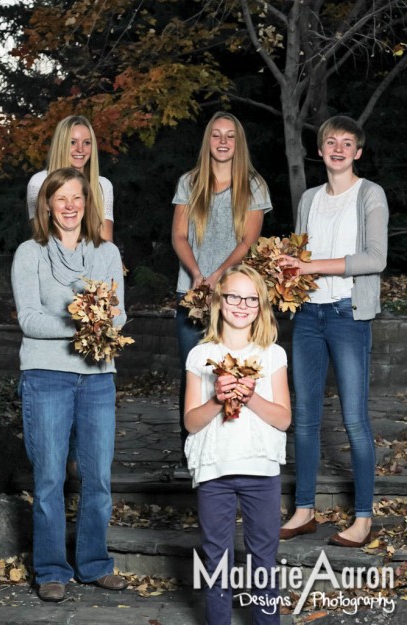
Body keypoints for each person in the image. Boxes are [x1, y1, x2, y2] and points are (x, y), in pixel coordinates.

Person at [12, 168, 128, 602]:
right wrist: (84, 322)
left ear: (87, 203)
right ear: (46, 205)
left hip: (98, 378)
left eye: (76, 197)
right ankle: (51, 569)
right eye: (59, 198)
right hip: (46, 378)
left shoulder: (106, 253)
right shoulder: (30, 253)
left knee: (98, 477)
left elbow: (116, 317)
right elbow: (29, 319)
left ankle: (95, 564)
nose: (69, 205)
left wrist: (99, 323)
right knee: (48, 479)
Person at [279, 116, 389, 547]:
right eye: (331, 142)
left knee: (354, 420)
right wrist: (288, 271)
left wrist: (311, 266)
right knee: (303, 418)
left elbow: (375, 258)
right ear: (320, 150)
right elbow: (300, 253)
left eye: (347, 143)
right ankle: (304, 510)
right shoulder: (308, 198)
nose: (339, 149)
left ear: (357, 153)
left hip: (348, 314)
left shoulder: (369, 194)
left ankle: (363, 519)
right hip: (308, 315)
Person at [184, 264, 291, 625]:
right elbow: (190, 422)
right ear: (219, 300)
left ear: (261, 305)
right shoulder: (200, 357)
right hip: (216, 470)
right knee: (217, 562)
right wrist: (217, 399)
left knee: (263, 559)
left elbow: (283, 418)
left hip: (261, 471)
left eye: (251, 298)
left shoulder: (272, 354)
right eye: (234, 296)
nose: (242, 305)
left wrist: (251, 398)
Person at [172, 112, 272, 463]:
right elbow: (179, 236)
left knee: (234, 373)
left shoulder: (254, 185)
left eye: (230, 135)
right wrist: (198, 273)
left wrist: (218, 275)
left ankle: (234, 454)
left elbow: (248, 241)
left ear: (238, 142)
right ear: (208, 141)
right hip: (194, 293)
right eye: (216, 135)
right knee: (193, 375)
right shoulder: (189, 181)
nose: (223, 141)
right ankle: (191, 456)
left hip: (234, 296)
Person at [27, 115, 114, 241]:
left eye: (87, 143)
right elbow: (43, 239)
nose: (80, 149)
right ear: (61, 144)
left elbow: (106, 244)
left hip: (95, 259)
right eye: (72, 142)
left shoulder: (102, 185)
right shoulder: (40, 182)